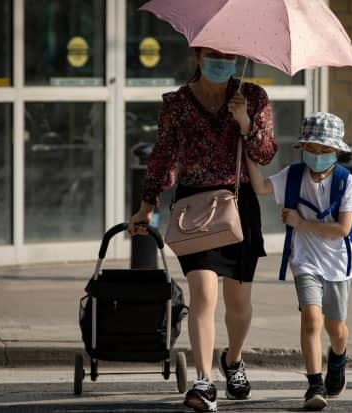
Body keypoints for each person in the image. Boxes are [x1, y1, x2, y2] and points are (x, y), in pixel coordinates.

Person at [128, 47, 277, 413]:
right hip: (194, 207)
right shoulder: (177, 103)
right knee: (203, 293)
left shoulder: (253, 97)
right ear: (196, 55)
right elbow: (162, 155)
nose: (221, 61)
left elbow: (267, 153)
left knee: (239, 303)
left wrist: (245, 122)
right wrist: (147, 207)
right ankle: (204, 380)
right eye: (213, 54)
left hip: (238, 206)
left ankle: (234, 360)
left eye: (228, 56)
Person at [244, 112, 352, 411]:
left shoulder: (345, 182)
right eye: (312, 149)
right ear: (302, 148)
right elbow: (260, 188)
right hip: (305, 260)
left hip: (337, 264)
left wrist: (300, 222)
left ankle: (338, 360)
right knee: (311, 318)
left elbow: (343, 229)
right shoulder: (293, 175)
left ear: (337, 151)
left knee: (336, 328)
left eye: (325, 151)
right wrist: (246, 151)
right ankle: (315, 385)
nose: (318, 156)